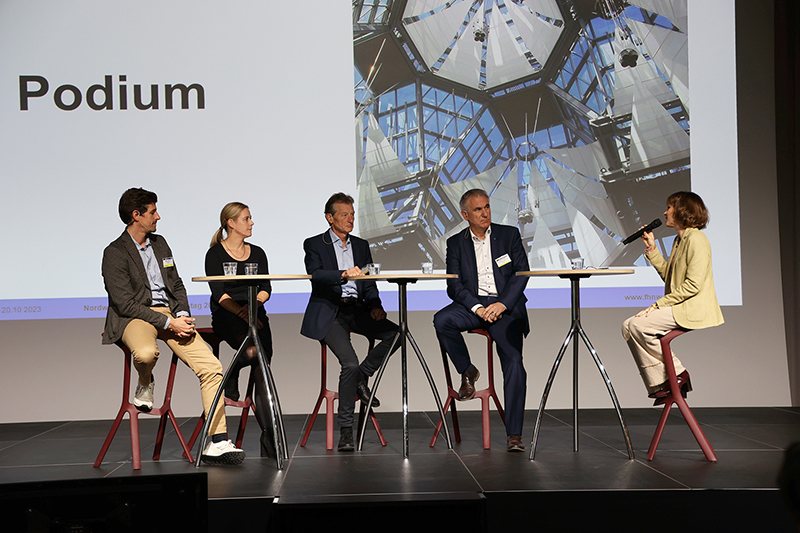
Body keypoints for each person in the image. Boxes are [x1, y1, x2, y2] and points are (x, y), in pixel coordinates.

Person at [102, 187, 245, 465]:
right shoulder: (115, 252)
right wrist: (169, 322)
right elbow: (125, 303)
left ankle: (216, 441)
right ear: (136, 215)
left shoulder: (160, 244)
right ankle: (145, 382)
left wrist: (181, 312)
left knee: (212, 367)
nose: (158, 217)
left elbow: (176, 283)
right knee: (145, 354)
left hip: (170, 314)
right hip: (135, 317)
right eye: (153, 212)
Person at [300, 192, 399, 452]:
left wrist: (376, 304)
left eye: (352, 214)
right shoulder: (314, 243)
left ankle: (361, 378)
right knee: (350, 363)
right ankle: (346, 430)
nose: (350, 219)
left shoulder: (361, 245)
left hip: (358, 309)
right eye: (344, 215)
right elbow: (316, 274)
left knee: (397, 334)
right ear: (329, 218)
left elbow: (368, 279)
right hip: (331, 312)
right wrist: (343, 274)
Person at [433, 188, 530, 452]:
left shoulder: (509, 235)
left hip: (505, 307)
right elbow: (454, 286)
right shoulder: (455, 243)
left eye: (486, 206)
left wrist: (501, 304)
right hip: (474, 306)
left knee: (513, 362)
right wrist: (477, 308)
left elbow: (521, 273)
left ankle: (514, 435)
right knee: (442, 320)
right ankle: (467, 370)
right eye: (478, 209)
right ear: (465, 215)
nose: (485, 212)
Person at [621, 191, 724, 402]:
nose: (665, 212)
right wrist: (651, 248)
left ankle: (678, 374)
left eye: (669, 208)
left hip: (692, 307)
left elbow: (693, 285)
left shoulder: (696, 239)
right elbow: (670, 278)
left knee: (639, 326)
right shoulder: (680, 241)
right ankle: (662, 382)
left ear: (682, 211)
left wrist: (658, 305)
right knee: (627, 326)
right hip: (681, 304)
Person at [205, 202, 276, 457]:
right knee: (252, 352)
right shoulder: (215, 254)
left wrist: (254, 307)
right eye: (246, 218)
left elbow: (266, 287)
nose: (252, 223)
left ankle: (270, 436)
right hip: (228, 314)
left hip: (254, 312)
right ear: (231, 223)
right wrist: (242, 312)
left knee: (262, 364)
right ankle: (231, 376)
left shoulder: (257, 252)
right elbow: (219, 294)